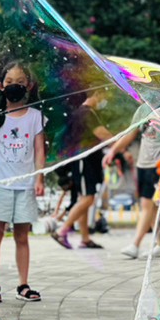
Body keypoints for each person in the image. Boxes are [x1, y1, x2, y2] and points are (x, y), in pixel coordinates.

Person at [0, 62, 46, 302]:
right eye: (9, 82)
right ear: (1, 86)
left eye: (19, 82)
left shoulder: (36, 117)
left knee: (22, 237)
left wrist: (39, 178)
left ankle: (23, 284)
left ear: (28, 86)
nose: (14, 86)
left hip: (25, 185)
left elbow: (39, 151)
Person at [105, 116, 160, 261]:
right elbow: (130, 134)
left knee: (147, 205)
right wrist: (113, 151)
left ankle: (135, 244)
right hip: (143, 164)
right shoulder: (143, 111)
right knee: (151, 208)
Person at [52, 92, 110, 250]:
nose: (104, 100)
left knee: (84, 199)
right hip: (84, 161)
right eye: (104, 96)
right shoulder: (86, 113)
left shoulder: (80, 112)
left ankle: (85, 239)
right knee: (88, 199)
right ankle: (62, 231)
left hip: (84, 161)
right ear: (96, 94)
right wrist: (120, 144)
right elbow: (102, 134)